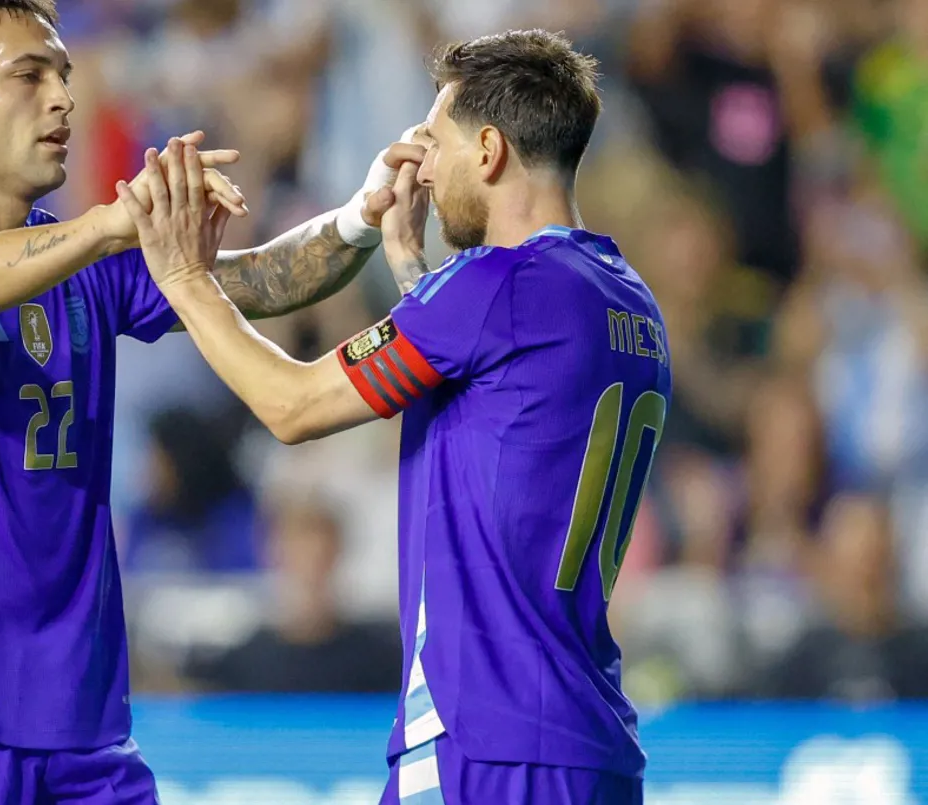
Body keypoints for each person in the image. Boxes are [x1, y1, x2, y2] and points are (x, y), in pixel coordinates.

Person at [0, 1, 401, 804]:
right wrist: (102, 227)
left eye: (63, 74)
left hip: (82, 723)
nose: (63, 97)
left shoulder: (89, 260)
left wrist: (364, 214)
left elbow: (261, 280)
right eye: (29, 75)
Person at [118, 30, 668, 805]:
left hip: (483, 738)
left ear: (488, 150)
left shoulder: (496, 285)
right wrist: (411, 267)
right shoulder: (627, 299)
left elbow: (291, 404)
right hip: (590, 742)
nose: (425, 169)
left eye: (436, 143)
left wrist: (183, 274)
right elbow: (494, 395)